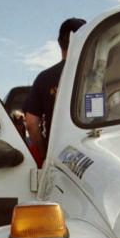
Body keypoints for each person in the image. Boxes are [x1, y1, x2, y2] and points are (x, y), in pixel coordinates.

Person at [24, 17, 86, 164]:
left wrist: (45, 154)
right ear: (84, 40)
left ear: (59, 43)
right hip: (92, 156)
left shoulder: (44, 78)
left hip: (58, 158)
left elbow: (31, 122)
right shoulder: (97, 77)